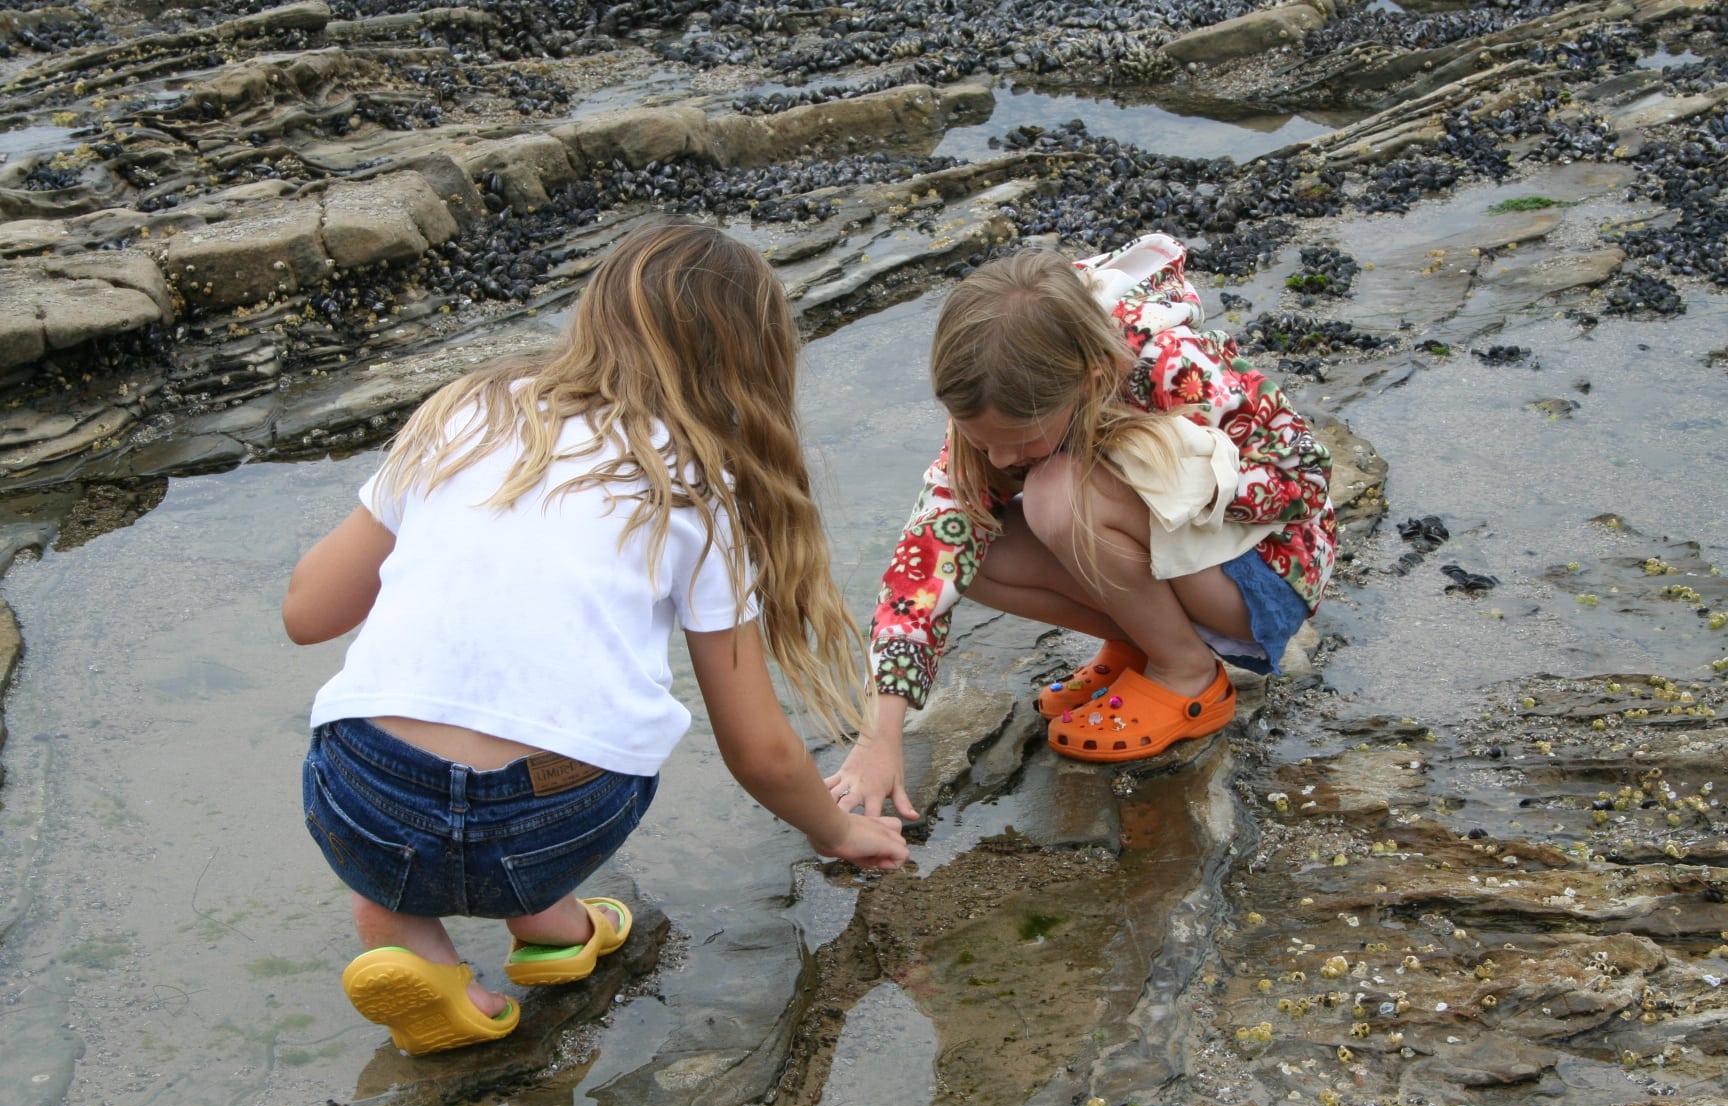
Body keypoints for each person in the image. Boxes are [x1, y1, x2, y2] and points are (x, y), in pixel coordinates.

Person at [282, 218, 907, 1056]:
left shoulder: (468, 410)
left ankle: (409, 950)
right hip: (554, 823)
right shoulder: (699, 489)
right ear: (751, 365)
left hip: (370, 802)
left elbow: (306, 614)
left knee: (382, 798)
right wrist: (835, 832)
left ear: (594, 312)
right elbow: (759, 751)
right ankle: (549, 919)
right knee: (579, 740)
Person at [828, 233, 1335, 819]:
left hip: (1265, 578)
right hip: (1186, 562)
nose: (997, 460)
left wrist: (1170, 475)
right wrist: (879, 736)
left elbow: (1306, 478)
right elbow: (925, 557)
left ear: (1093, 382)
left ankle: (1187, 671)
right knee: (967, 550)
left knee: (1055, 496)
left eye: (1015, 442)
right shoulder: (1007, 386)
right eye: (978, 439)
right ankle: (1144, 644)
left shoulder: (1171, 366)